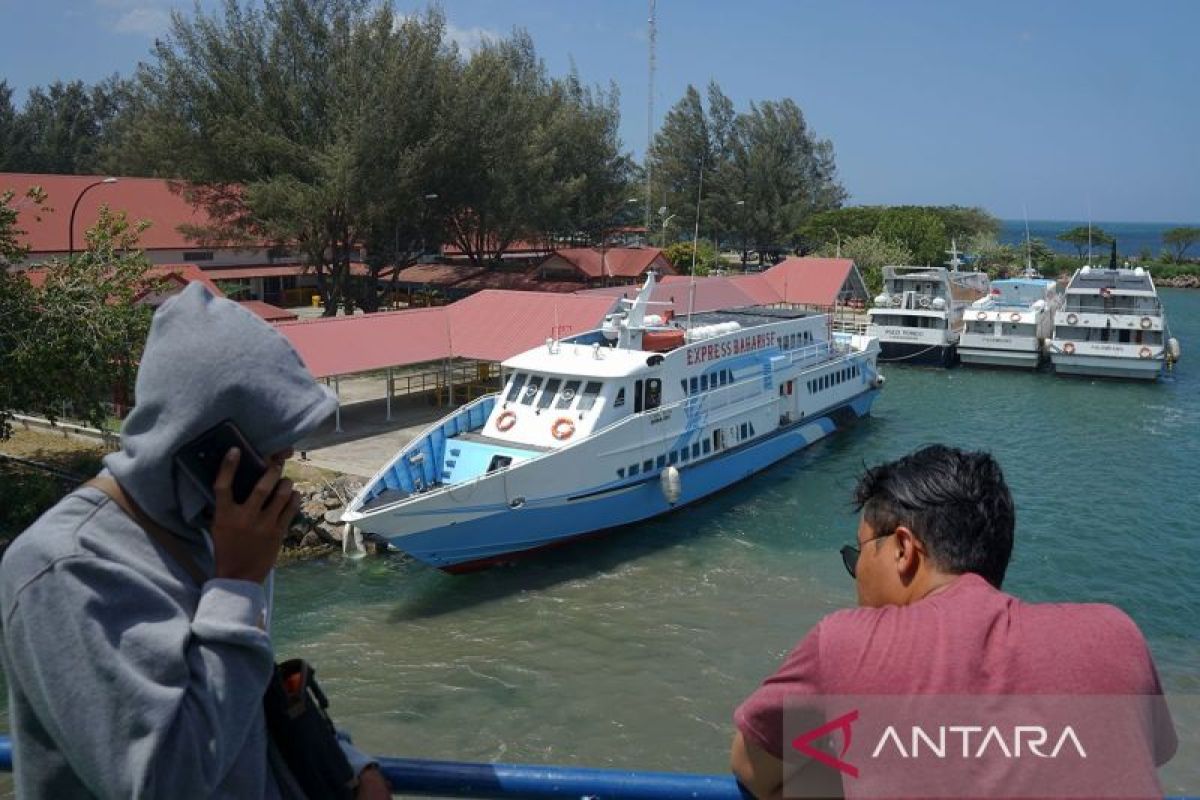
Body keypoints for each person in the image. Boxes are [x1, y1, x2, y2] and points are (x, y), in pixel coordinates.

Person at [0, 284, 390, 798]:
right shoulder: (63, 568)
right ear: (209, 448)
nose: (286, 465)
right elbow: (164, 782)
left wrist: (343, 761)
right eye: (271, 455)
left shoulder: (215, 531)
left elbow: (237, 698)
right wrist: (237, 585)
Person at [730, 444, 1176, 799]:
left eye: (857, 555)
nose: (856, 574)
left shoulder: (845, 644)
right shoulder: (1115, 636)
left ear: (903, 550)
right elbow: (1140, 758)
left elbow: (754, 770)